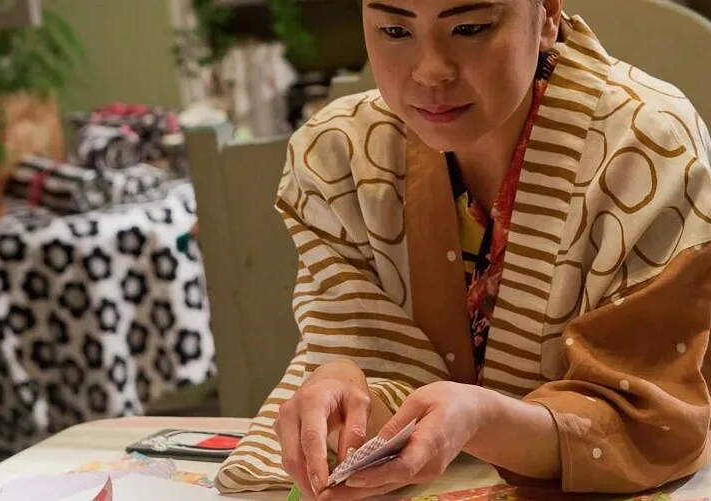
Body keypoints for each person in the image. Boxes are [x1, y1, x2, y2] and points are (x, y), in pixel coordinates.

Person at [215, 0, 711, 499]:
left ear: (547, 13)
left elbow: (655, 420)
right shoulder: (339, 155)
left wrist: (484, 419)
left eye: (470, 28)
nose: (431, 71)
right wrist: (344, 389)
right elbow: (370, 360)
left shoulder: (647, 144)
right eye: (394, 30)